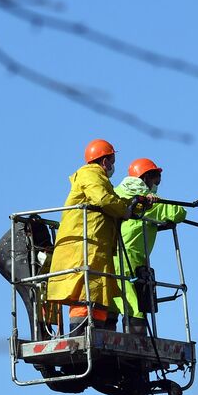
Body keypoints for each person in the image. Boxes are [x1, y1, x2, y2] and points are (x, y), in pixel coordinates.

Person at [45, 139, 155, 332]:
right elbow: (104, 199)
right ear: (104, 161)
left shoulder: (101, 180)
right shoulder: (90, 174)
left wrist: (137, 204)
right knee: (84, 293)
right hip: (83, 245)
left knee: (97, 293)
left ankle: (96, 333)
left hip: (96, 246)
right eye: (111, 161)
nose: (112, 166)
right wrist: (126, 211)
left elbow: (114, 199)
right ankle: (80, 334)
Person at [113, 157, 188, 335]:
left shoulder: (117, 192)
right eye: (156, 180)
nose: (157, 185)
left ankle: (107, 331)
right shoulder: (147, 200)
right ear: (145, 177)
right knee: (133, 305)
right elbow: (178, 213)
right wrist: (158, 201)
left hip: (111, 254)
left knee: (112, 301)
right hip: (129, 256)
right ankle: (138, 345)